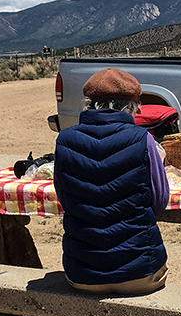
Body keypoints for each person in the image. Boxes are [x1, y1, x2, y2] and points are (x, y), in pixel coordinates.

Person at [53, 68, 169, 295]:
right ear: (132, 106)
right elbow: (159, 201)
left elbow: (64, 198)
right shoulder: (142, 140)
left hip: (82, 274)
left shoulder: (64, 140)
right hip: (142, 274)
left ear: (89, 103)